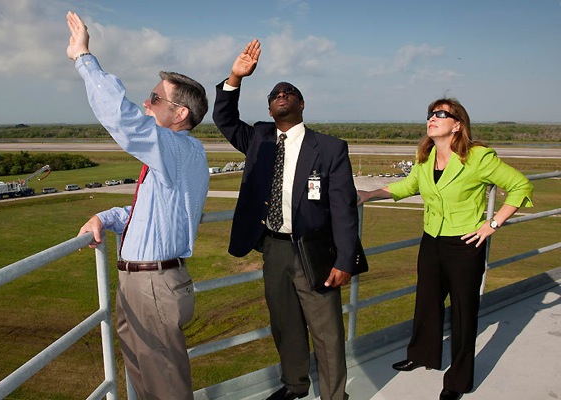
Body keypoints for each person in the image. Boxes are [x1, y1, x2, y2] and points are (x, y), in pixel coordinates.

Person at [66, 11, 209, 400]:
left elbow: (123, 119)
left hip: (153, 285)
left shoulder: (176, 148)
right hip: (140, 282)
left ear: (181, 114)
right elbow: (150, 215)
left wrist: (83, 58)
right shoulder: (176, 157)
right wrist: (106, 216)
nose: (147, 102)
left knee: (166, 387)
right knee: (145, 385)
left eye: (156, 98)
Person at [213, 39, 363, 400]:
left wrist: (345, 260)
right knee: (284, 324)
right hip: (274, 248)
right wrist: (235, 76)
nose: (282, 94)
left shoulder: (329, 148)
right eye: (276, 93)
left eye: (289, 92)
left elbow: (343, 208)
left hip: (314, 251)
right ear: (269, 106)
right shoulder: (259, 138)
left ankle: (334, 395)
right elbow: (224, 118)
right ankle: (295, 386)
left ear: (301, 104)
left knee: (326, 330)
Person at [357, 98, 533, 400]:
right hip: (432, 241)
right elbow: (409, 185)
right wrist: (371, 193)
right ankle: (422, 355)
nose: (432, 118)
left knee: (464, 314)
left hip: (465, 245)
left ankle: (458, 381)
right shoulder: (425, 157)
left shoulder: (478, 157)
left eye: (441, 114)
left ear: (457, 125)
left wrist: (492, 224)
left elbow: (520, 185)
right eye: (430, 114)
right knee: (427, 302)